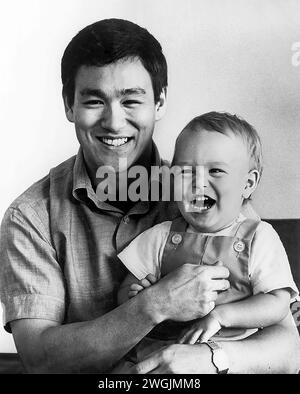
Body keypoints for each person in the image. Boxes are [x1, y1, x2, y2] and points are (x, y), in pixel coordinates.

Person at [0, 19, 299, 374]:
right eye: (94, 100)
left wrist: (208, 358)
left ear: (159, 102)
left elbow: (288, 349)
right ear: (69, 106)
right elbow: (41, 361)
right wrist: (154, 305)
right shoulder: (31, 217)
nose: (113, 122)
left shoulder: (209, 197)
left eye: (131, 100)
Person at [117, 112, 299, 363]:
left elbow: (278, 304)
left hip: (233, 355)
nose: (198, 183)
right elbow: (125, 290)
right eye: (186, 172)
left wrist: (222, 316)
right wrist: (141, 296)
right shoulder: (161, 236)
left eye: (215, 171)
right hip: (160, 352)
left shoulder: (258, 237)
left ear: (248, 183)